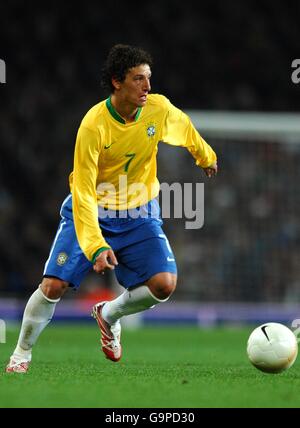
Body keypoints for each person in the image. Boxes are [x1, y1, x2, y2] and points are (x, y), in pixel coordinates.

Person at [6, 44, 217, 373]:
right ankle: (21, 353)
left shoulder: (157, 109)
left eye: (148, 78)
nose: (147, 86)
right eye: (138, 79)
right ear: (118, 82)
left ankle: (108, 315)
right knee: (53, 287)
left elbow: (183, 126)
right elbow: (84, 191)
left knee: (164, 285)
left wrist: (206, 156)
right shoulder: (94, 126)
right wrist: (96, 245)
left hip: (138, 212)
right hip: (92, 209)